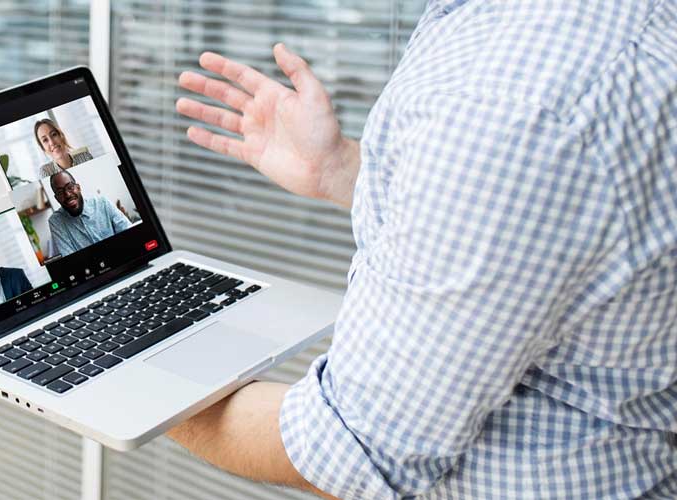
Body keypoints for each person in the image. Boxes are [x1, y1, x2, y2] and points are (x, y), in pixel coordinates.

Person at [165, 3, 677, 499]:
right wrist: (342, 168)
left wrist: (135, 389)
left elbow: (352, 446)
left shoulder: (515, 97)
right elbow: (532, 223)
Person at [47, 170, 131, 257]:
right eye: (60, 192)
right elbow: (70, 259)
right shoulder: (56, 222)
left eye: (70, 187)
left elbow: (128, 232)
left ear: (78, 188)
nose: (67, 194)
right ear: (56, 198)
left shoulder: (103, 203)